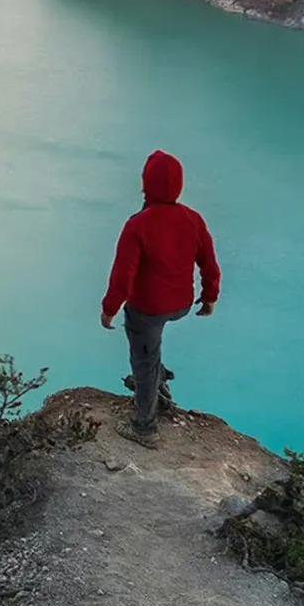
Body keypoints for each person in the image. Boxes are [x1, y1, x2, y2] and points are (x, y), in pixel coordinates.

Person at [101, 150, 220, 441]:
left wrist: (109, 309)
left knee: (143, 358)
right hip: (180, 304)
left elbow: (122, 276)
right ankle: (158, 379)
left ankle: (145, 427)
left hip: (147, 309)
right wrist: (210, 296)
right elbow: (209, 262)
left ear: (145, 185)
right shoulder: (193, 219)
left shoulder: (137, 225)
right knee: (151, 346)